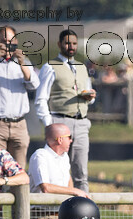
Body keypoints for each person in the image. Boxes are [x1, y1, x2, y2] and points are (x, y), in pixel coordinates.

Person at [35, 29, 95, 193]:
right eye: (68, 43)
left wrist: (90, 97)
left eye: (74, 43)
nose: (71, 46)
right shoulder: (50, 66)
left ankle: (85, 211)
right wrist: (49, 124)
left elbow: (88, 92)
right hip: (60, 122)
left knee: (81, 171)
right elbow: (41, 99)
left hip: (81, 122)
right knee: (56, 169)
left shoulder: (82, 67)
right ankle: (55, 209)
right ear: (59, 44)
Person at [0, 26, 39, 167]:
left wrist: (22, 63)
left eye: (10, 40)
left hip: (19, 124)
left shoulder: (24, 62)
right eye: (4, 41)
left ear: (16, 41)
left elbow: (34, 84)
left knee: (19, 169)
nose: (7, 44)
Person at [28, 123, 88, 219]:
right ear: (60, 139)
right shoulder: (40, 156)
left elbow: (68, 179)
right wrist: (75, 191)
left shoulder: (64, 156)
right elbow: (46, 188)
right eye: (69, 137)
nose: (71, 140)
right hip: (42, 214)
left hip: (63, 213)